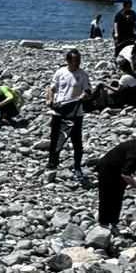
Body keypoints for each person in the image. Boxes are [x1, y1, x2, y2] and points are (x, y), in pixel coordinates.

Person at [45, 48, 91, 181]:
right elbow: (51, 88)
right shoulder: (60, 72)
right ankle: (52, 162)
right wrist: (49, 99)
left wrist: (82, 96)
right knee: (55, 138)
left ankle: (77, 166)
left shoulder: (83, 75)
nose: (77, 63)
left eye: (79, 60)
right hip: (59, 110)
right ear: (68, 61)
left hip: (76, 113)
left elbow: (87, 91)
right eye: (75, 61)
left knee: (76, 141)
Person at [112, 0, 136, 65]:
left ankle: (127, 61)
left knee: (129, 47)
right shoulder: (119, 13)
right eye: (128, 5)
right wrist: (116, 33)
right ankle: (116, 61)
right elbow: (115, 24)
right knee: (119, 48)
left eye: (130, 5)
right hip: (120, 33)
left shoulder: (133, 13)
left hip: (130, 33)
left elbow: (135, 23)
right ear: (124, 5)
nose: (129, 6)